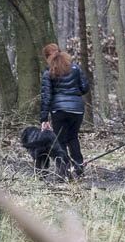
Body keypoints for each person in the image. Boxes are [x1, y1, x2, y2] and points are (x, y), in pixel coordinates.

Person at [39, 43, 91, 178]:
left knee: (60, 141)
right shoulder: (75, 68)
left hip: (59, 110)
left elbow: (46, 97)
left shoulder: (49, 72)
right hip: (77, 109)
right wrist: (74, 95)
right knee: (73, 137)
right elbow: (85, 87)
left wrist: (44, 119)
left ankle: (64, 171)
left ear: (47, 57)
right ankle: (78, 167)